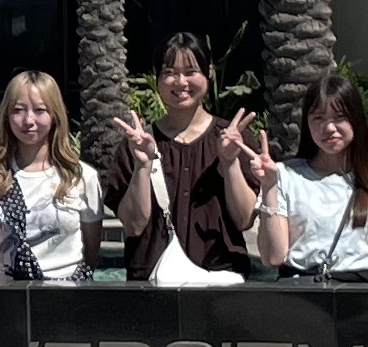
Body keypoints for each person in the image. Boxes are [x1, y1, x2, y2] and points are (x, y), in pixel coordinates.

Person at [113, 33, 265, 282]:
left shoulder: (234, 139)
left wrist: (229, 162)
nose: (180, 81)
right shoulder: (138, 143)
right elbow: (133, 226)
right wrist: (142, 165)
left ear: (209, 74)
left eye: (191, 71)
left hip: (221, 276)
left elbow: (244, 219)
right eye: (169, 72)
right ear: (157, 78)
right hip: (151, 278)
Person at [256, 70, 368, 283]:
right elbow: (274, 256)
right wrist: (269, 187)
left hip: (360, 294)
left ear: (356, 121)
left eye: (340, 118)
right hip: (302, 292)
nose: (329, 128)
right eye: (318, 118)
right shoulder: (284, 176)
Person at [0, 70, 102, 285]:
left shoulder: (82, 177)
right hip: (9, 300)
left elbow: (91, 253)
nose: (28, 120)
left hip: (67, 298)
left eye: (40, 110)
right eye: (18, 110)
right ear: (6, 116)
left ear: (55, 116)